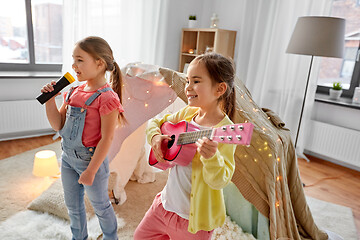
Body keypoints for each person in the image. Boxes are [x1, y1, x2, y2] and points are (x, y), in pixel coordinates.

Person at [134, 52, 237, 240]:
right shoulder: (188, 113)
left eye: (196, 81)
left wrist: (212, 158)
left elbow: (221, 180)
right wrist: (156, 137)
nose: (188, 87)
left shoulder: (226, 131)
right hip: (164, 206)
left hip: (194, 223)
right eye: (187, 81)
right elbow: (155, 123)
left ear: (219, 89)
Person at [41, 36, 124, 240]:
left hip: (91, 162)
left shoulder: (107, 97)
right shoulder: (73, 91)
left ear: (99, 63)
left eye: (79, 59)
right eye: (73, 59)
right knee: (73, 207)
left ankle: (111, 237)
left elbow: (107, 139)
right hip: (68, 158)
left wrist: (91, 171)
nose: (73, 65)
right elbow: (58, 125)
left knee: (101, 206)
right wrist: (49, 101)